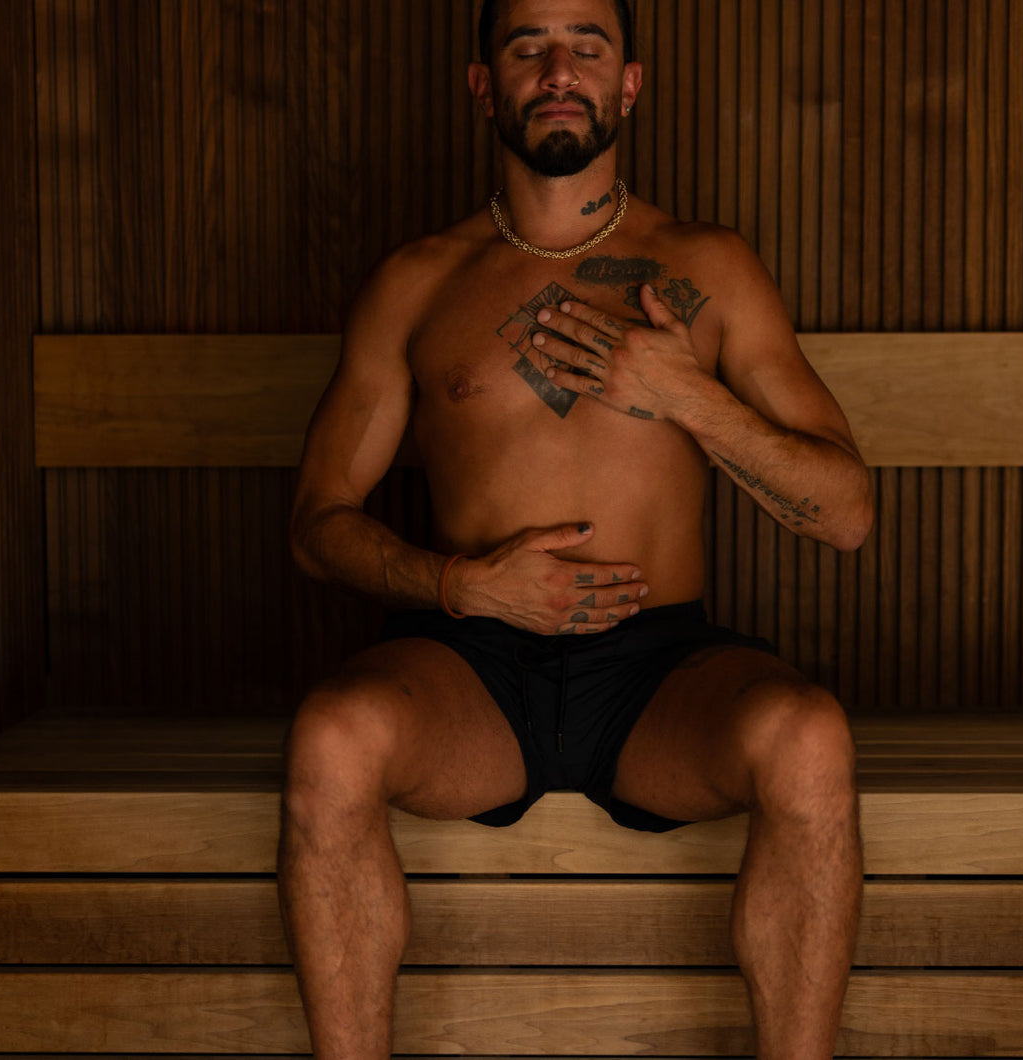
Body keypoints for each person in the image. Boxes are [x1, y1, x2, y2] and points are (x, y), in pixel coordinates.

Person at [281, 0, 873, 1055]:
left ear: (628, 84)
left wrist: (688, 397)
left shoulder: (708, 267)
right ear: (485, 84)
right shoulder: (418, 281)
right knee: (331, 737)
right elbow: (316, 522)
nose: (559, 68)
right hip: (472, 665)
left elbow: (846, 513)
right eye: (528, 46)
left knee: (810, 736)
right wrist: (461, 585)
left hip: (659, 673)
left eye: (587, 45)